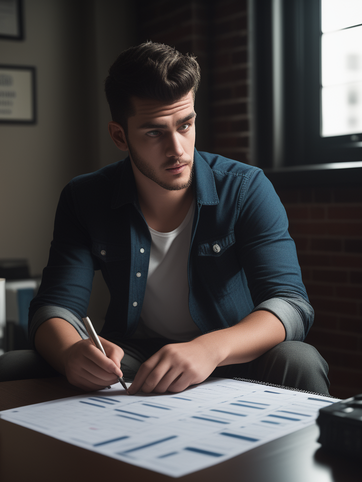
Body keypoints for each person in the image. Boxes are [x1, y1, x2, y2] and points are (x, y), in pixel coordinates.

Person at [28, 41, 330, 396]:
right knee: (14, 366)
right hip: (135, 356)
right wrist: (70, 353)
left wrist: (210, 348)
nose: (177, 149)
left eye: (185, 125)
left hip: (231, 351)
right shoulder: (84, 197)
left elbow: (290, 303)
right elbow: (55, 305)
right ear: (119, 136)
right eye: (155, 132)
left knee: (300, 360)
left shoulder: (246, 187)